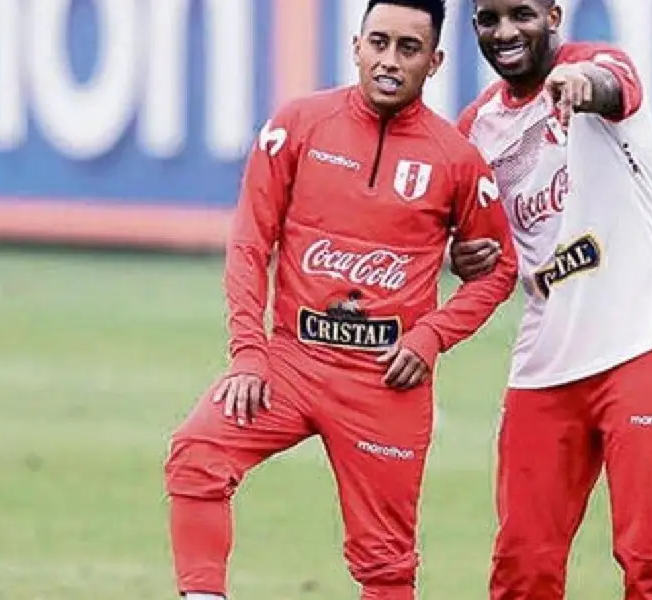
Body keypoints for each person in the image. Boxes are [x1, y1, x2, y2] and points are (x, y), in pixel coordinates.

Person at [162, 1, 518, 598]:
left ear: (435, 62)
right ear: (356, 46)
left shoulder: (456, 160)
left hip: (386, 382)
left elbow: (499, 269)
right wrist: (249, 352)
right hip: (290, 362)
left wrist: (430, 337)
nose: (389, 60)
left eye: (408, 49)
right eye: (378, 43)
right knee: (197, 454)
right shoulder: (298, 126)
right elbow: (250, 243)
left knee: (386, 564)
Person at [449, 1, 652, 598]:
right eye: (489, 19)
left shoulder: (598, 64)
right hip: (545, 365)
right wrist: (464, 255)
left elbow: (615, 86)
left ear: (555, 15)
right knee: (522, 564)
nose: (505, 31)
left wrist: (582, 84)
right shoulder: (476, 128)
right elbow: (473, 242)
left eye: (522, 14)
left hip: (643, 348)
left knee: (649, 557)